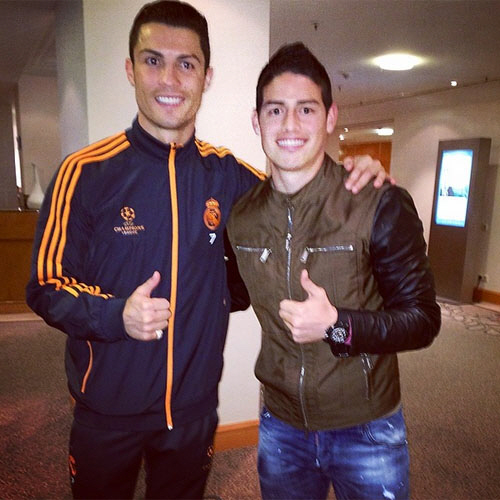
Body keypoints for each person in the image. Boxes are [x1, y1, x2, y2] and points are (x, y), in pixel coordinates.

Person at [26, 2, 389, 499]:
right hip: (106, 411)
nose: (169, 79)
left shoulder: (228, 175)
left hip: (193, 411)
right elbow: (45, 285)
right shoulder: (85, 172)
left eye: (186, 63)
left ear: (206, 76)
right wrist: (116, 315)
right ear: (130, 70)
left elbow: (299, 194)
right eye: (153, 61)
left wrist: (356, 174)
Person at [227, 42, 441, 500]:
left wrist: (336, 325)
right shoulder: (242, 216)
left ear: (329, 118)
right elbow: (230, 292)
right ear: (257, 121)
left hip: (367, 429)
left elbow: (423, 319)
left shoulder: (378, 202)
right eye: (275, 110)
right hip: (282, 426)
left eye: (306, 109)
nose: (289, 125)